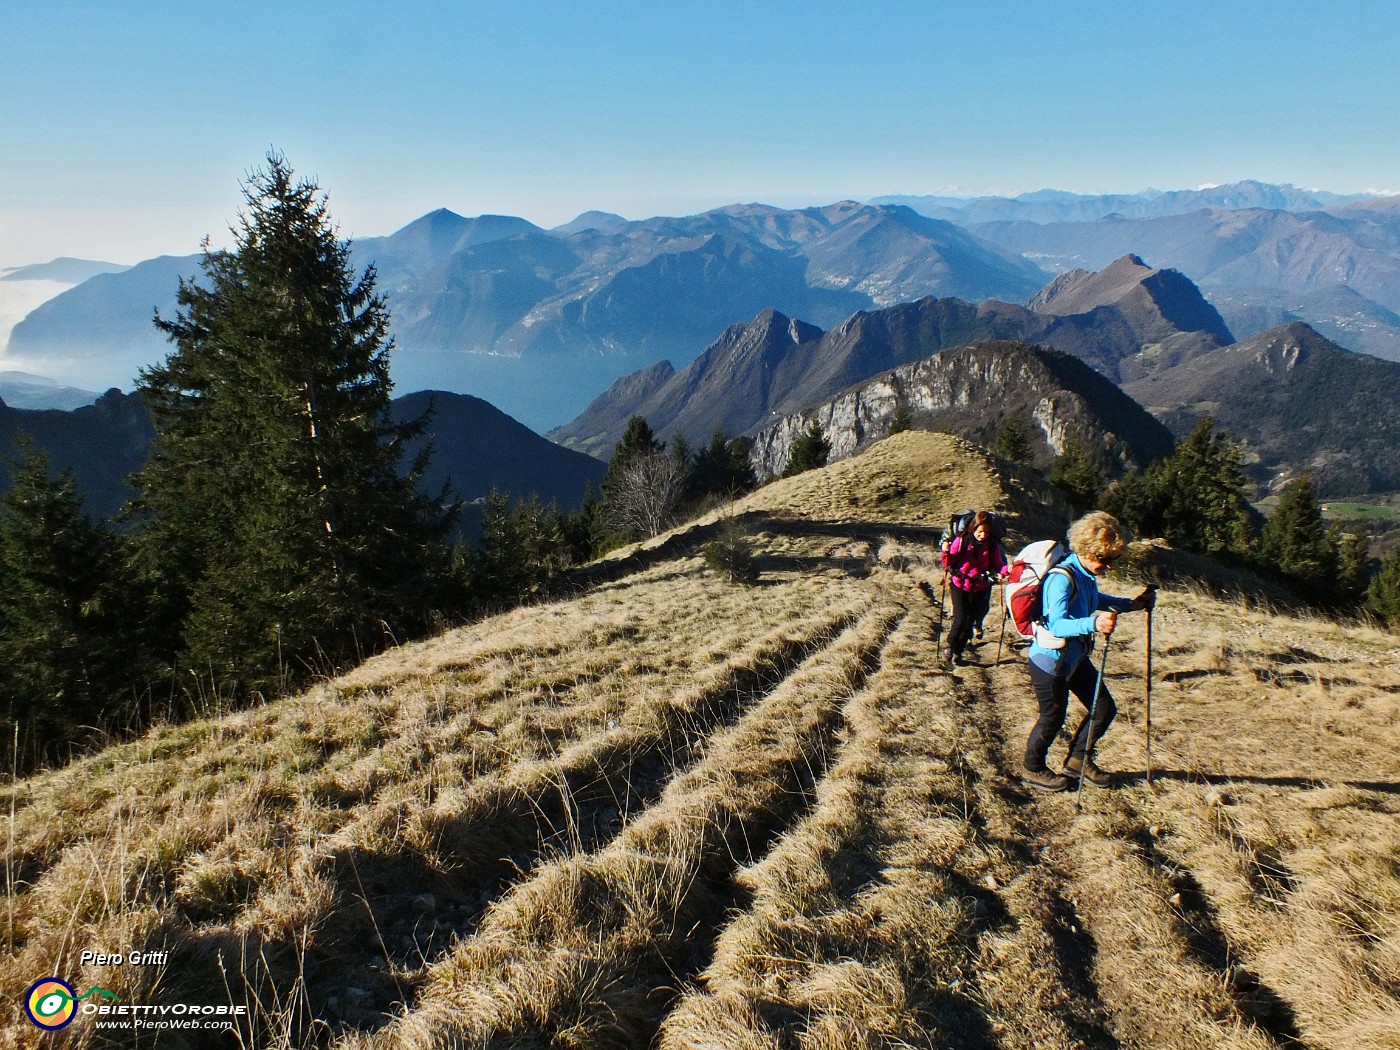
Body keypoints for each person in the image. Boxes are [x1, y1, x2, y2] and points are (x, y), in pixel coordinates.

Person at [1021, 511, 1155, 792]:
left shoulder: (1083, 573)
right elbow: (1056, 624)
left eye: (1112, 560)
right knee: (1053, 718)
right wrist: (1094, 623)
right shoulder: (1061, 578)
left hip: (1074, 658)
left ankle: (1078, 759)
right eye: (1103, 560)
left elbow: (1095, 599)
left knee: (1104, 708)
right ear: (1086, 550)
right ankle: (1032, 769)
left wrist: (1132, 605)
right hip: (1051, 662)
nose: (1107, 566)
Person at [940, 511, 1008, 666]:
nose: (983, 535)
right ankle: (951, 646)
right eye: (980, 531)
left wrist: (1006, 571)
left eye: (986, 532)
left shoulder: (992, 545)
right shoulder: (961, 540)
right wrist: (945, 550)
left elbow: (999, 564)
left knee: (970, 621)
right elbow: (948, 562)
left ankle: (959, 652)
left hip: (980, 587)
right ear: (973, 528)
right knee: (961, 619)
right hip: (960, 585)